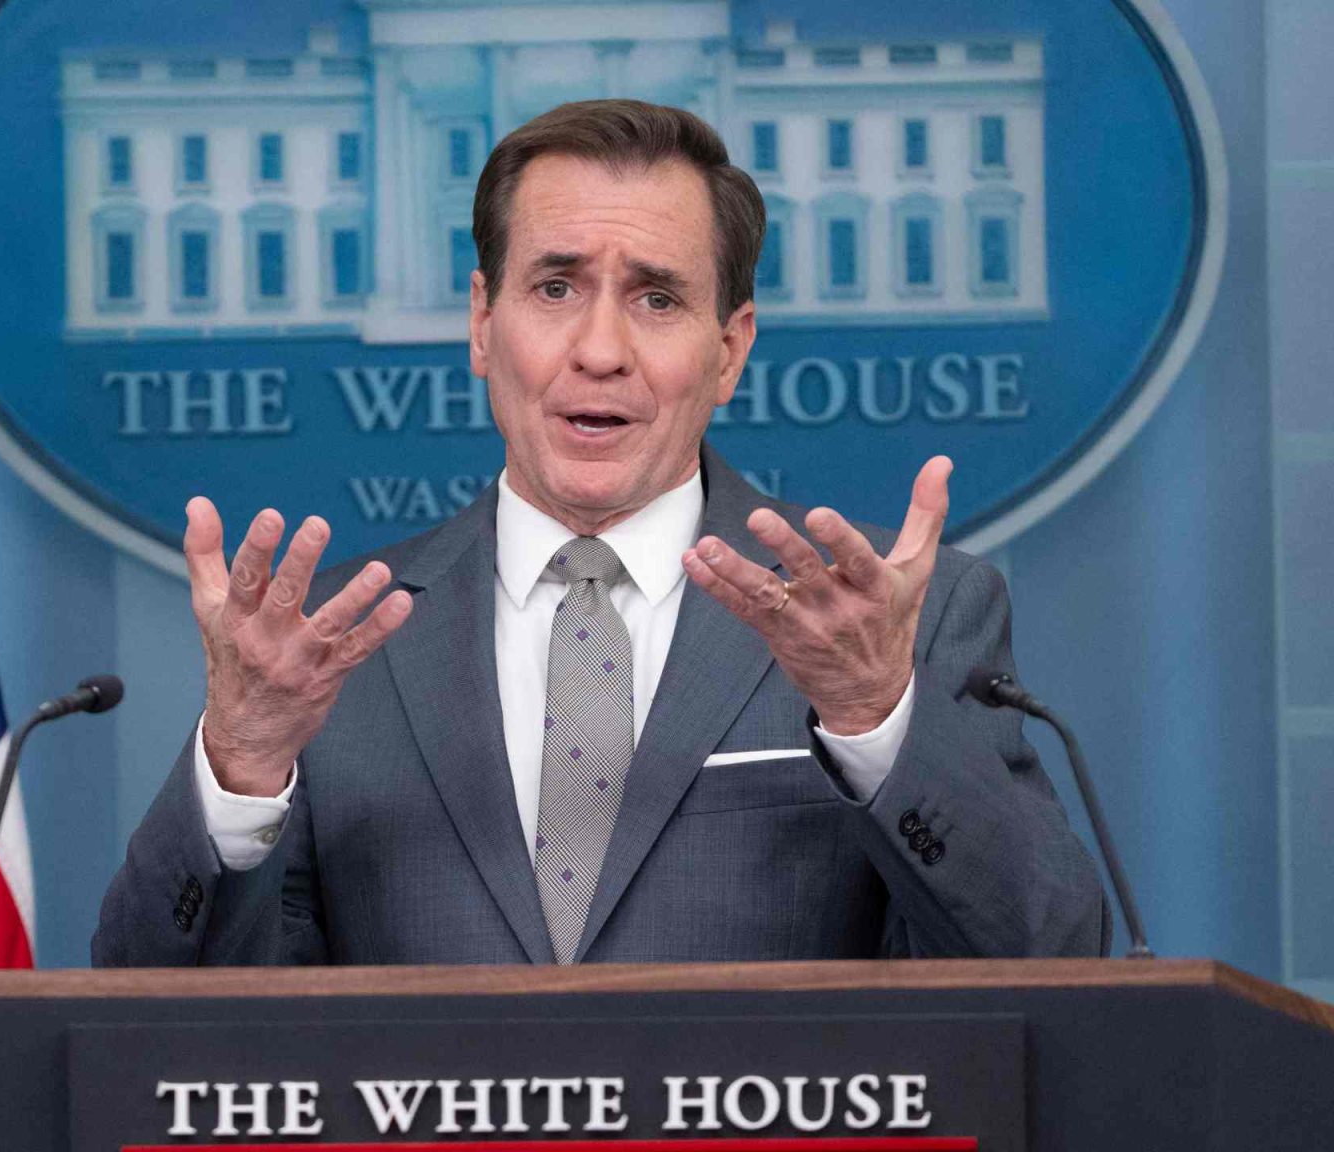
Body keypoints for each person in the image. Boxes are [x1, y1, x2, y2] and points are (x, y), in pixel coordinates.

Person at [93, 100, 1107, 967]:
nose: (601, 350)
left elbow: (1051, 960)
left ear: (729, 349)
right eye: (556, 288)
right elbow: (148, 1033)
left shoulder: (895, 623)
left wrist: (877, 717)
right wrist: (241, 765)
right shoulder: (327, 646)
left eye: (657, 298)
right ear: (482, 323)